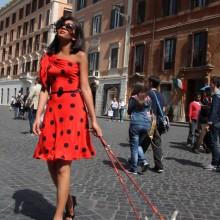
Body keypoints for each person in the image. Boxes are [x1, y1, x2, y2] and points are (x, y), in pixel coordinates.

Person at [32, 15, 102, 220]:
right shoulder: (48, 57)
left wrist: (94, 120)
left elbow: (86, 88)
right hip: (53, 110)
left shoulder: (80, 55)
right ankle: (70, 202)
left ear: (75, 34)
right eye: (61, 25)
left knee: (63, 165)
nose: (63, 27)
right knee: (51, 163)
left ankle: (59, 215)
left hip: (73, 111)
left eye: (68, 26)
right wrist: (38, 116)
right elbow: (45, 88)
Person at [127, 83, 152, 174]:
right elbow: (149, 110)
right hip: (147, 124)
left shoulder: (134, 98)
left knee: (134, 146)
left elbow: (129, 111)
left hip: (136, 123)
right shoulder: (149, 99)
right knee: (137, 145)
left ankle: (134, 168)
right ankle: (143, 162)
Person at [142, 76, 165, 173]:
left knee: (152, 141)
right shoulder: (160, 95)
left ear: (151, 83)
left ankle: (158, 165)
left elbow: (145, 108)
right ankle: (137, 159)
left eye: (147, 82)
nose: (146, 83)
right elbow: (163, 109)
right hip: (159, 122)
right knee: (147, 141)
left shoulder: (149, 94)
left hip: (151, 122)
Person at [204, 76, 220, 171]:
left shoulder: (216, 95)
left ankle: (215, 163)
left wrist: (209, 124)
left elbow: (214, 111)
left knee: (213, 142)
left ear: (214, 84)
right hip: (218, 121)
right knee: (215, 143)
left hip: (215, 122)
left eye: (211, 83)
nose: (210, 85)